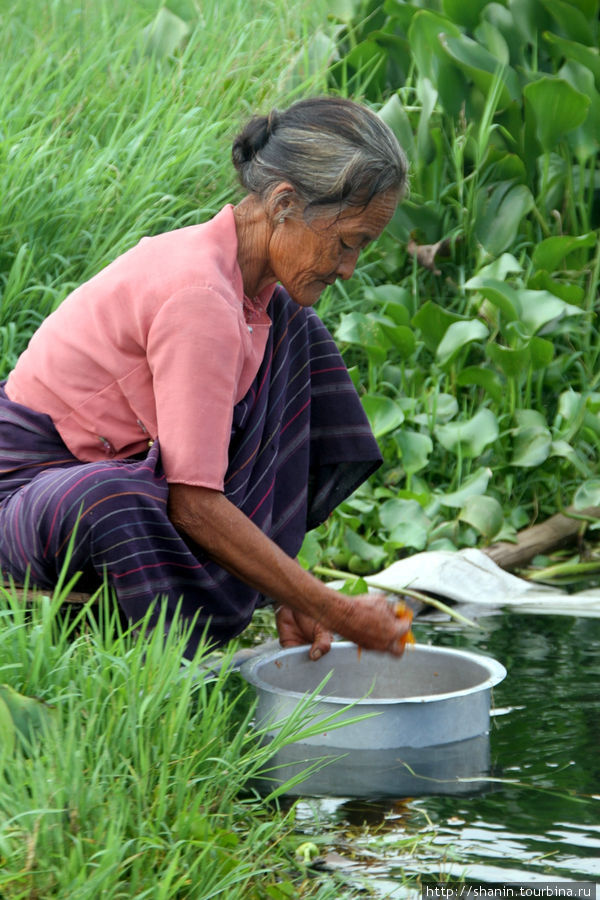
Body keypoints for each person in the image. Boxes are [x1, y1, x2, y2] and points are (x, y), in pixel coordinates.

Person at [0, 96, 411, 661]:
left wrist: (293, 588)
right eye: (347, 242)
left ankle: (269, 582)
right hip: (27, 493)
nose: (348, 268)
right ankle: (167, 656)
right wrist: (331, 606)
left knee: (299, 334)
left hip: (122, 465)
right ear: (285, 203)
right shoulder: (202, 298)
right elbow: (193, 504)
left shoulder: (259, 297)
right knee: (113, 500)